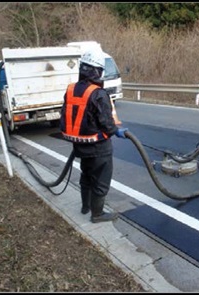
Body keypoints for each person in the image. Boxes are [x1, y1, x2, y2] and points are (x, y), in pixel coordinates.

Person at [60, 49, 128, 223]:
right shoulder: (98, 93)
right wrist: (116, 131)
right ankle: (97, 214)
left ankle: (86, 206)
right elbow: (106, 122)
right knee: (100, 181)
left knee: (86, 176)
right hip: (99, 147)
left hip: (80, 146)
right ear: (97, 71)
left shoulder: (71, 89)